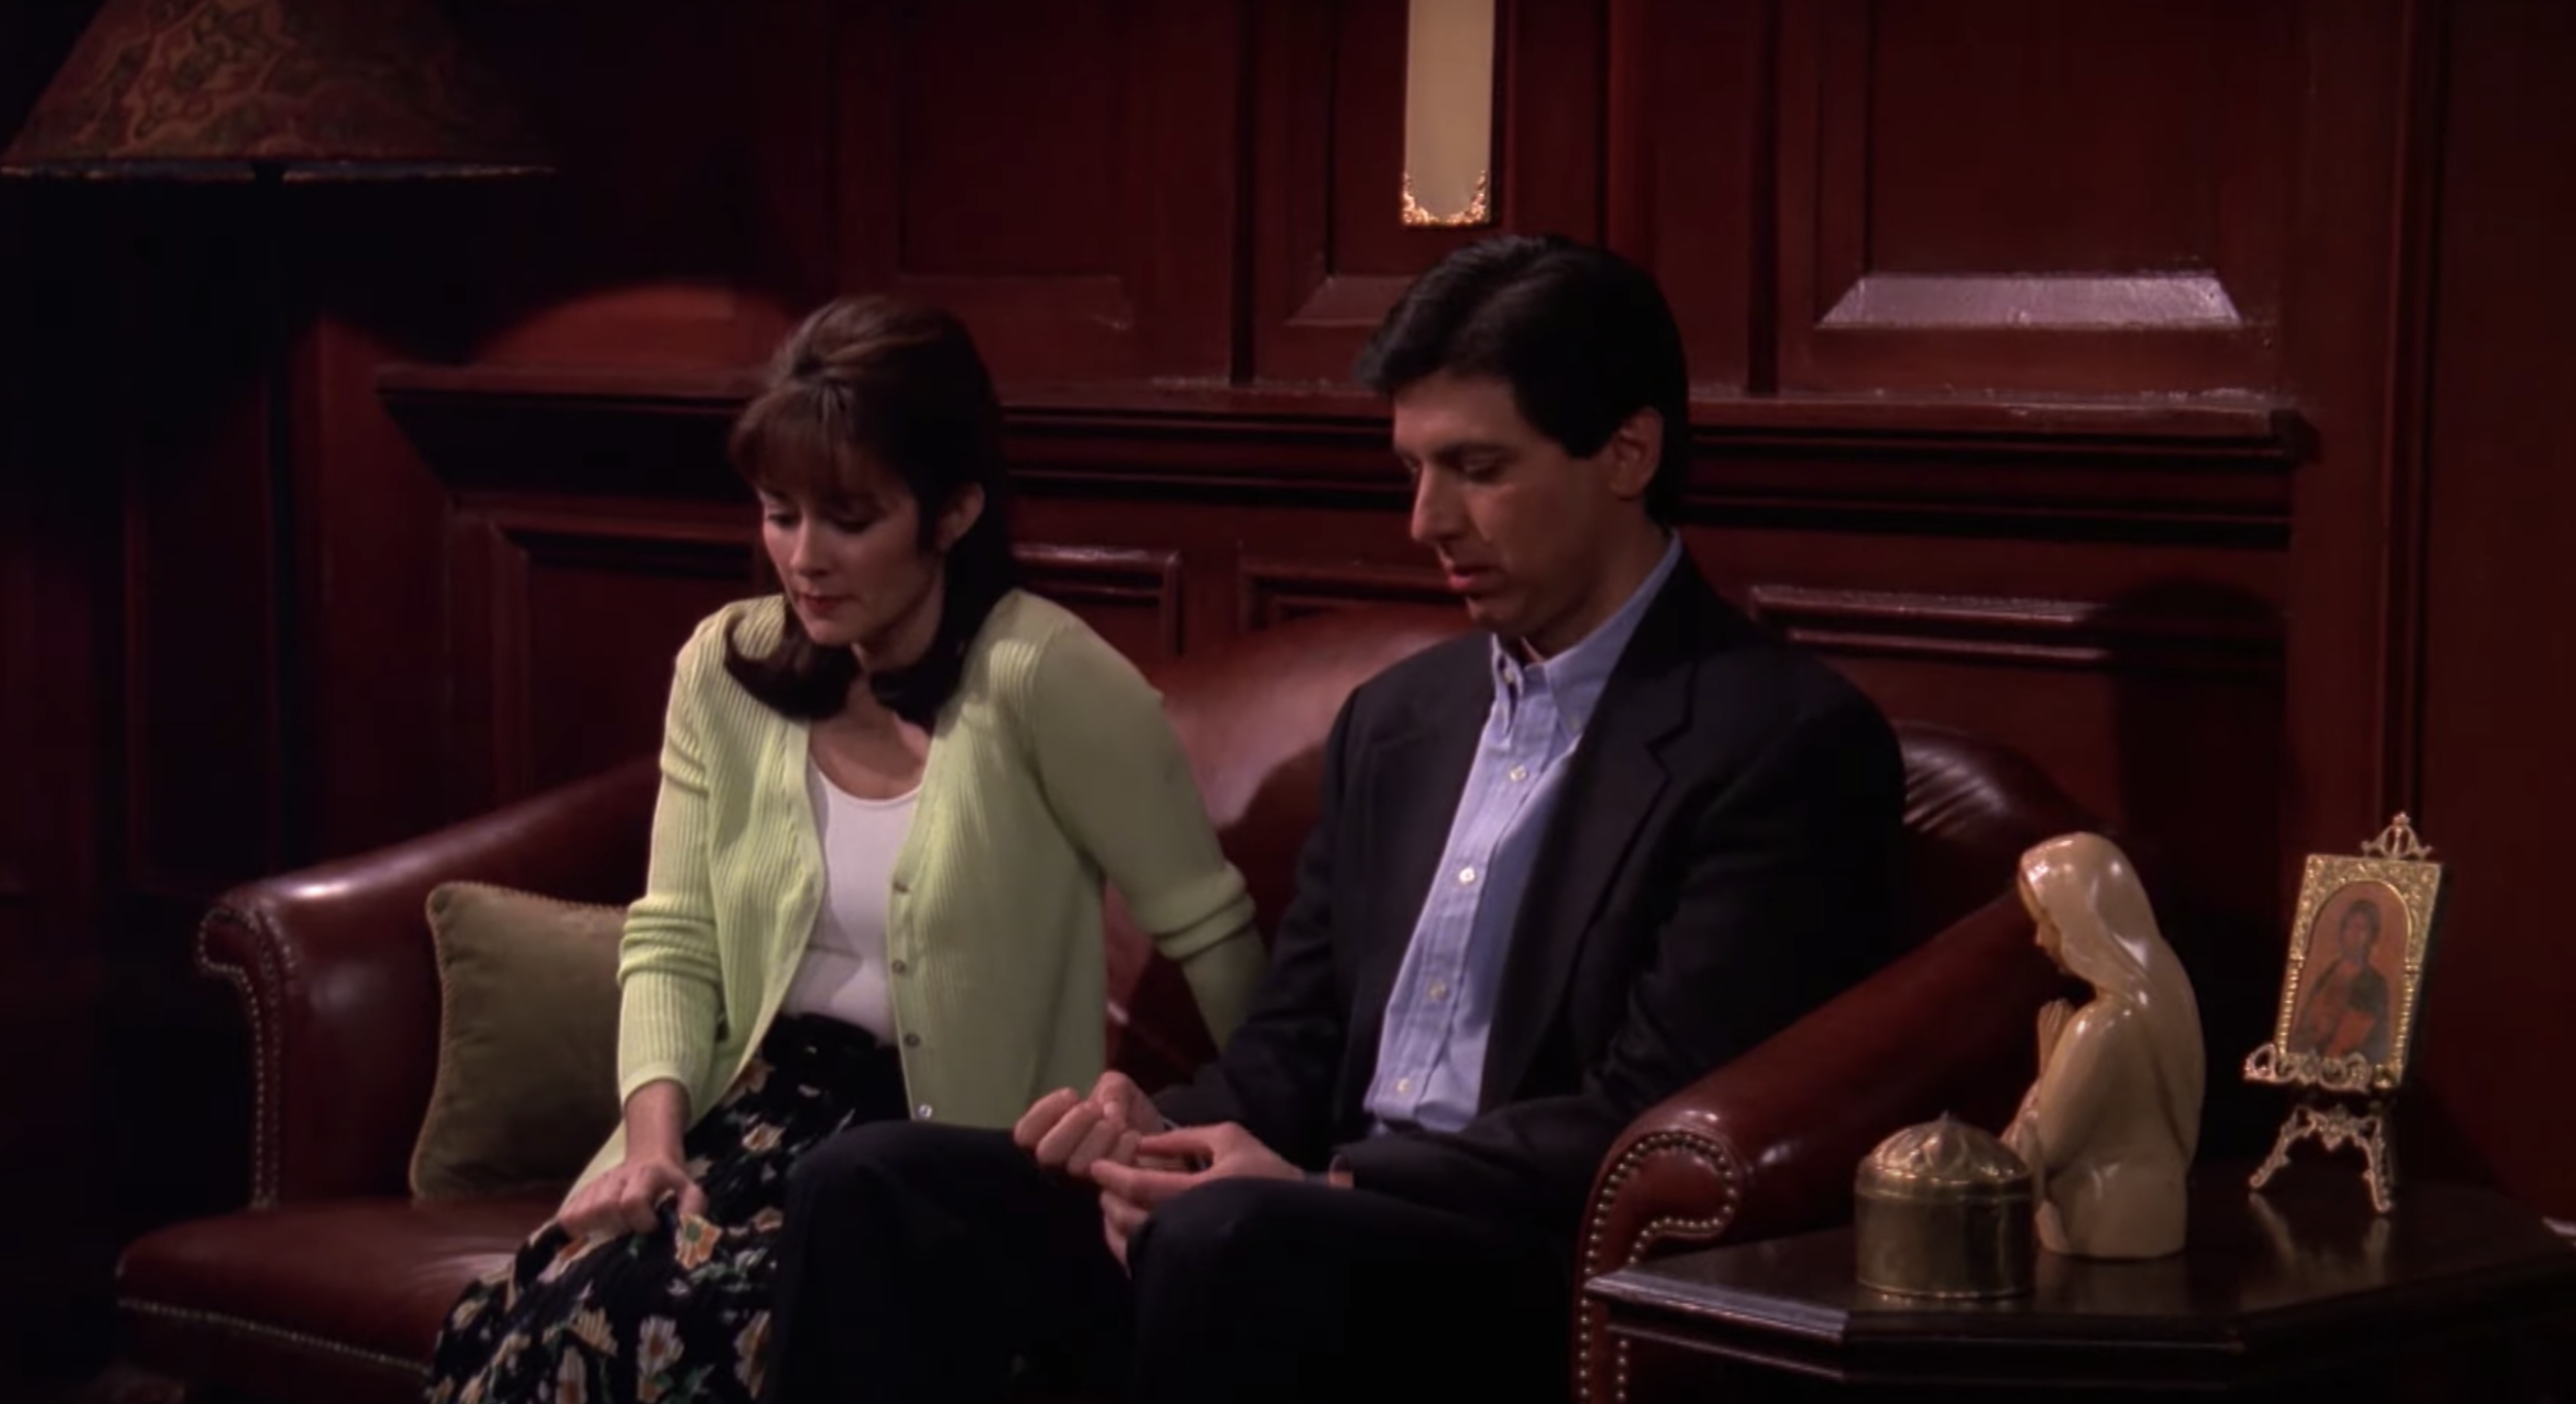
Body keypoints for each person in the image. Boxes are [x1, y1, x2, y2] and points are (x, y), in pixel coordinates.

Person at [762, 234, 1908, 1404]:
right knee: (870, 1183)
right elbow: (1291, 1042)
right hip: (1297, 1209)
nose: (1425, 521)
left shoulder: (1777, 742)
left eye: (1476, 468)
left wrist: (1335, 1187)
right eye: (1412, 469)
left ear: (1626, 453)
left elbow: (1645, 1116)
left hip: (1516, 1259)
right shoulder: (1399, 723)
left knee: (1226, 1243)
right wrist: (1148, 1124)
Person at [422, 296, 1267, 1404]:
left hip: (937, 1163)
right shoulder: (724, 667)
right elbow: (674, 936)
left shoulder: (1045, 677)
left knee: (705, 1344)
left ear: (953, 510)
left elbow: (1209, 930)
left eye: (849, 519)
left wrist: (1266, 1159)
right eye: (779, 514)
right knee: (543, 1326)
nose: (802, 559)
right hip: (748, 1115)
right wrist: (651, 1144)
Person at [2002, 832, 2205, 1259]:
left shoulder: (2099, 1025)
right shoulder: (2169, 992)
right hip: (2161, 1203)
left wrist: (2047, 1071)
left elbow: (2049, 1147)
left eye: (2050, 923)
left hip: (2100, 1217)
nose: (2040, 939)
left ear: (2085, 923)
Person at [2290, 893, 2394, 1064]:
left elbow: (2374, 1041)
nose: (2354, 934)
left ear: (2371, 936)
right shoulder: (2329, 974)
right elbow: (2303, 1027)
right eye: (2350, 926)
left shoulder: (2375, 983)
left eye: (2362, 929)